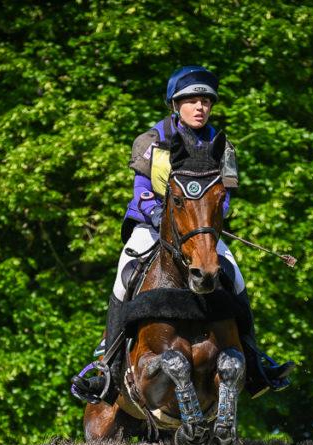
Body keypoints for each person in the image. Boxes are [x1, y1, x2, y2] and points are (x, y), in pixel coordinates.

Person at [71, 65, 294, 404]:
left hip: (199, 228)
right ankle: (106, 362)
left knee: (234, 277)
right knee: (124, 274)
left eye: (205, 101)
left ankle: (254, 359)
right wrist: (159, 213)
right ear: (175, 105)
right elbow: (141, 190)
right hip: (151, 225)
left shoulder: (224, 147)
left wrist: (206, 218)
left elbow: (226, 196)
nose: (200, 107)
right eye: (191, 100)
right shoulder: (151, 141)